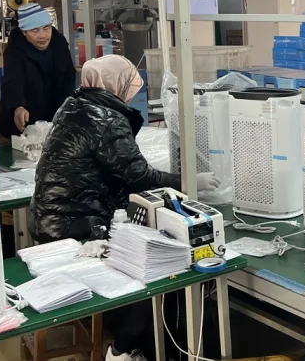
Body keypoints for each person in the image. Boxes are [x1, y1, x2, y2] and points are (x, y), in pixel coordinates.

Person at [29, 55, 217, 361]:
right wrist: (190, 181)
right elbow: (137, 175)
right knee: (151, 276)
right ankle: (121, 350)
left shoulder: (74, 105)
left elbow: (107, 169)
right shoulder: (105, 117)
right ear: (116, 83)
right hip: (75, 227)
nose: (132, 91)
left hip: (52, 219)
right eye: (129, 83)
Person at [0, 3, 76, 138]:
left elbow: (68, 76)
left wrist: (67, 109)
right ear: (24, 32)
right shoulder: (15, 50)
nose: (42, 35)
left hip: (55, 113)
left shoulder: (59, 44)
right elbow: (13, 80)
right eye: (34, 30)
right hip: (26, 116)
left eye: (46, 28)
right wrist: (18, 106)